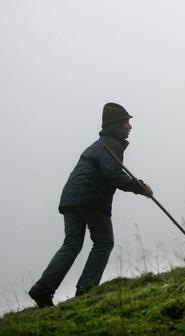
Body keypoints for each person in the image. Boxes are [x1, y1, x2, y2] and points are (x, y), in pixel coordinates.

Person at [28, 102, 153, 308]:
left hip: (71, 197)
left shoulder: (100, 144)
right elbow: (113, 174)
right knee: (104, 242)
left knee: (72, 244)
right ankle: (86, 290)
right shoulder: (110, 145)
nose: (130, 127)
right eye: (125, 122)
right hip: (90, 198)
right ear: (115, 125)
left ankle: (42, 289)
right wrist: (140, 188)